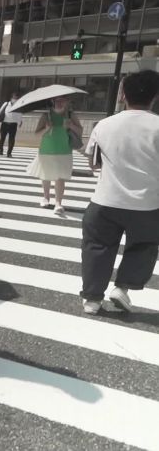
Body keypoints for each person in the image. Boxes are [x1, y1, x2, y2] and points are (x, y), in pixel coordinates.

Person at [81, 70, 159, 315]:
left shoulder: (104, 125)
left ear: (123, 94)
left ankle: (92, 299)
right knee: (144, 245)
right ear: (155, 97)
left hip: (105, 200)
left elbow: (93, 163)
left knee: (97, 247)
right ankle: (123, 287)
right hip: (147, 203)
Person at [26, 96, 82, 215]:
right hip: (46, 150)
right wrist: (46, 128)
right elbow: (36, 134)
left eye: (62, 100)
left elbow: (80, 131)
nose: (59, 103)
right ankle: (46, 197)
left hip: (64, 150)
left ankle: (58, 203)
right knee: (46, 176)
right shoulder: (46, 115)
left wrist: (71, 125)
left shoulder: (71, 115)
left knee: (60, 178)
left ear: (67, 102)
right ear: (53, 102)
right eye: (57, 101)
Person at [0, 92, 23, 157]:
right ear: (11, 98)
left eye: (16, 98)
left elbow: (20, 115)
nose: (15, 99)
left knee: (12, 139)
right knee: (2, 138)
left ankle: (9, 153)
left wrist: (20, 122)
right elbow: (0, 111)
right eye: (14, 98)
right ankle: (1, 151)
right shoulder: (6, 104)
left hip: (13, 125)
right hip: (5, 124)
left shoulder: (18, 106)